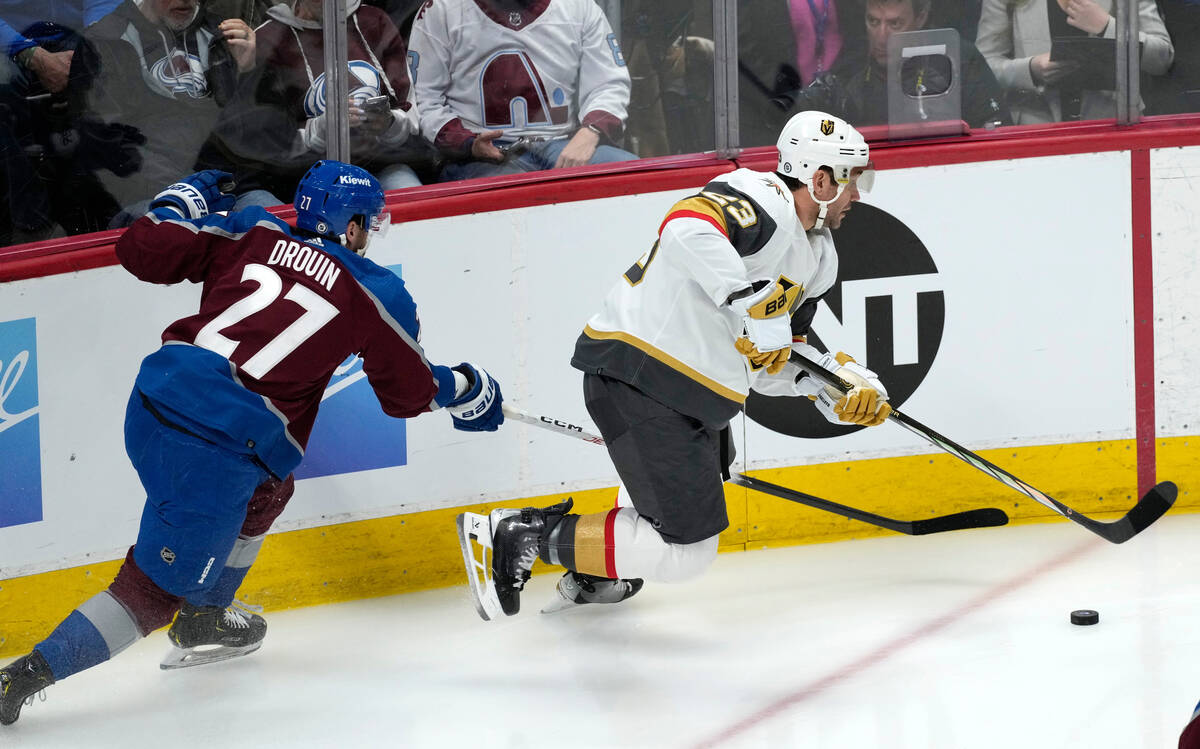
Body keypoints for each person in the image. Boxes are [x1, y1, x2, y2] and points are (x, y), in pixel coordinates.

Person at [0, 160, 505, 725]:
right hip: (213, 448)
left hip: (154, 401)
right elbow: (408, 393)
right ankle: (21, 678)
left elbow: (141, 248)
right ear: (355, 225)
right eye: (371, 225)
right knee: (149, 595)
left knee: (272, 483)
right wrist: (466, 387)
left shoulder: (252, 228)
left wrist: (181, 200)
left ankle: (208, 615)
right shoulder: (375, 290)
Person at [457, 110, 891, 619]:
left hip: (681, 393)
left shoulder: (817, 257)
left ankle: (594, 570)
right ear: (820, 180)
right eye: (853, 180)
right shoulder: (760, 198)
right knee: (686, 552)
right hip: (642, 375)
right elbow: (687, 226)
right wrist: (751, 306)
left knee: (659, 519)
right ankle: (518, 534)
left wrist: (836, 387)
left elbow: (774, 356)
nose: (858, 195)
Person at [67, 0, 274, 227]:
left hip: (229, 190)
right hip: (151, 197)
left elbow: (262, 135)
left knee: (277, 231)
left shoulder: (222, 33)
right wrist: (188, 189)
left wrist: (249, 72)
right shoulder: (105, 41)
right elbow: (101, 143)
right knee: (178, 239)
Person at [407, 0, 638, 181]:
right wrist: (468, 143)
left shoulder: (579, 6)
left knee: (633, 174)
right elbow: (424, 101)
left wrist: (591, 132)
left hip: (560, 144)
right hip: (476, 157)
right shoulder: (442, 9)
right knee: (510, 205)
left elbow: (608, 83)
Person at [246, 0, 435, 193]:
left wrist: (388, 123)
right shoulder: (269, 37)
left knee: (410, 196)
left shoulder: (373, 21)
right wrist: (321, 129)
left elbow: (410, 113)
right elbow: (266, 138)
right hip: (303, 176)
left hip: (381, 164)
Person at [781, 0, 1011, 130]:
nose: (882, 36)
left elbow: (996, 130)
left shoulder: (957, 59)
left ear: (920, 18)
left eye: (895, 24)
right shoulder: (851, 67)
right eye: (873, 21)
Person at [976, 0, 1173, 123]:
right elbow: (981, 67)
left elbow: (1162, 58)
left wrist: (1108, 27)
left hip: (1113, 126)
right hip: (1035, 131)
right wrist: (1030, 69)